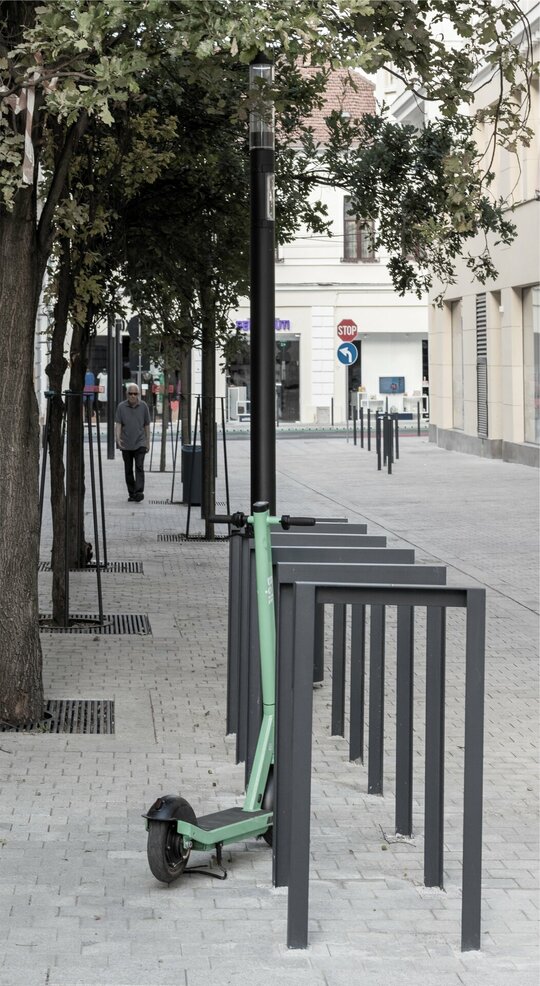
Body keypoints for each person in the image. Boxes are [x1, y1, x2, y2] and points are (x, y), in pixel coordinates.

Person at [115, 384, 151, 502]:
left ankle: (139, 492)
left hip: (140, 442)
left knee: (139, 466)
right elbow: (118, 424)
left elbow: (147, 425)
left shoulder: (144, 406)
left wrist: (148, 442)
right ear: (127, 394)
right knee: (128, 469)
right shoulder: (121, 407)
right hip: (126, 443)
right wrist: (117, 438)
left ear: (138, 394)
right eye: (130, 393)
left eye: (135, 394)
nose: (133, 396)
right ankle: (132, 493)